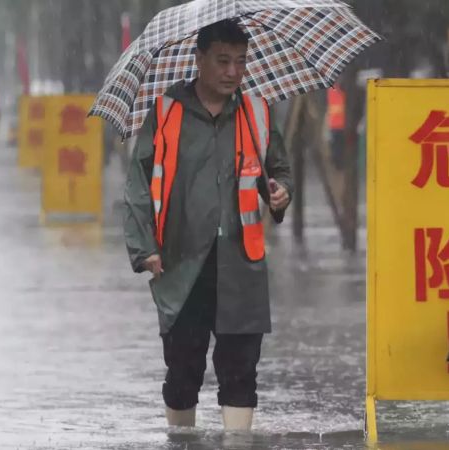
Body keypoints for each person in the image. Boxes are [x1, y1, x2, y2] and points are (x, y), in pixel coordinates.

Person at [123, 19, 293, 431]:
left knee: (241, 372)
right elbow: (138, 186)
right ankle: (180, 439)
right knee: (183, 371)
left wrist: (280, 193)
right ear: (198, 60)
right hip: (182, 263)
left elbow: (281, 170)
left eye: (240, 61)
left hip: (242, 262)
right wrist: (144, 250)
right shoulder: (165, 113)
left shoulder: (257, 112)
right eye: (222, 61)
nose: (233, 71)